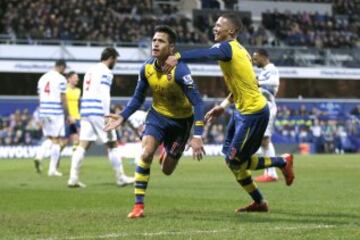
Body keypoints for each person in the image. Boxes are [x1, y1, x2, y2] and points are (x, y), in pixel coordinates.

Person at [164, 14, 294, 213]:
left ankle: (282, 161)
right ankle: (260, 202)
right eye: (214, 24)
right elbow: (244, 85)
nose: (214, 28)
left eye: (219, 25)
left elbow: (206, 54)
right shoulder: (240, 51)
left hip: (254, 114)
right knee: (231, 160)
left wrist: (178, 56)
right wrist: (224, 106)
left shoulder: (227, 48)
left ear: (231, 31)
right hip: (240, 111)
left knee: (235, 160)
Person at [104, 25, 205, 218]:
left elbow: (199, 103)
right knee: (146, 153)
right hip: (157, 117)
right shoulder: (146, 67)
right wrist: (123, 116)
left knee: (167, 170)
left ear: (171, 47)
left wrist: (198, 135)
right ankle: (138, 205)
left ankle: (167, 151)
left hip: (181, 123)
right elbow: (138, 98)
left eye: (161, 41)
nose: (156, 44)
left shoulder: (181, 71)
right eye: (154, 40)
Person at [67, 47, 134, 188]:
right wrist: (107, 115)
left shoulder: (90, 70)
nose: (115, 63)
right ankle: (121, 178)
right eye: (115, 60)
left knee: (82, 145)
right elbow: (104, 94)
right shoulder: (106, 72)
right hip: (98, 111)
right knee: (112, 145)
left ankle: (73, 178)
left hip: (85, 110)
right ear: (110, 58)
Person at [34, 59, 68, 176]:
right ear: (62, 67)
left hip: (44, 110)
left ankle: (39, 156)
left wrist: (41, 111)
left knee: (50, 137)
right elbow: (63, 97)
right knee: (57, 140)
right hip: (55, 111)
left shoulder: (42, 78)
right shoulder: (61, 79)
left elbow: (39, 97)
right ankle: (52, 170)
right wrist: (67, 113)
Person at [252, 49, 280, 183]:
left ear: (263, 57)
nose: (254, 61)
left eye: (256, 58)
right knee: (263, 140)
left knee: (265, 140)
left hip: (268, 106)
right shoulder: (263, 72)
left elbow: (273, 83)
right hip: (261, 106)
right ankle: (269, 171)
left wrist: (257, 83)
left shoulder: (271, 69)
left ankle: (271, 173)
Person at [65, 71, 81, 150]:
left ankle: (75, 159)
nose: (77, 79)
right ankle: (55, 157)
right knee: (63, 142)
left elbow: (78, 104)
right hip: (67, 117)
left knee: (77, 140)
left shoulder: (78, 90)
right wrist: (67, 116)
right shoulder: (64, 89)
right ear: (69, 79)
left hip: (77, 117)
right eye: (75, 77)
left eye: (77, 77)